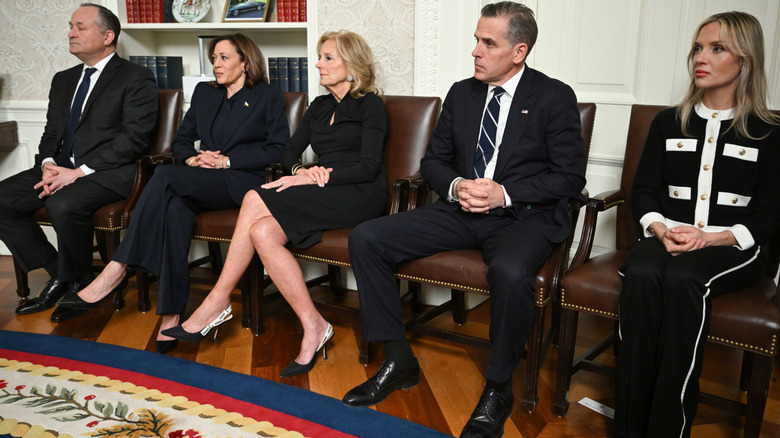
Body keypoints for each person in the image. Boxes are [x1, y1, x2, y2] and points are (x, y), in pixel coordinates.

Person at [341, 3, 586, 437]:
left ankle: (498, 388)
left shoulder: (553, 96)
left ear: (518, 51)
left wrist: (503, 193)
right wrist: (456, 186)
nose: (475, 50)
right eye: (476, 38)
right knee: (366, 238)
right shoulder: (462, 92)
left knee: (511, 272)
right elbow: (432, 161)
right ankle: (399, 360)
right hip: (460, 210)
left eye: (488, 43)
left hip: (520, 218)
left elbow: (569, 177)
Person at [162, 30, 388, 377]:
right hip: (323, 188)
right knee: (263, 232)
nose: (318, 64)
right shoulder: (319, 105)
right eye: (320, 56)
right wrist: (301, 170)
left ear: (353, 64)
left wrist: (313, 176)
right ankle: (314, 325)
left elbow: (369, 167)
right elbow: (287, 152)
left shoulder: (370, 104)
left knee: (254, 196)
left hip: (359, 192)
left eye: (328, 58)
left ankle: (217, 301)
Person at [49, 33, 289, 354]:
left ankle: (117, 268)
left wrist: (225, 160)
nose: (216, 64)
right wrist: (192, 158)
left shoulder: (267, 96)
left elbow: (279, 151)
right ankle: (172, 313)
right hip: (199, 178)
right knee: (175, 209)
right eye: (213, 58)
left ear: (245, 62)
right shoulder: (205, 94)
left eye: (224, 58)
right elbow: (180, 141)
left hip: (243, 183)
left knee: (164, 176)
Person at [614, 11, 780, 438]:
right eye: (697, 48)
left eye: (717, 48)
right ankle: (629, 427)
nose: (700, 58)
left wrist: (710, 238)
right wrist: (660, 229)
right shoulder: (669, 121)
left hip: (735, 247)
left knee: (687, 278)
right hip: (668, 235)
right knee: (643, 271)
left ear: (744, 61)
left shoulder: (770, 131)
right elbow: (644, 193)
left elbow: (770, 216)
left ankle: (670, 429)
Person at [1, 4, 158, 317]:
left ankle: (77, 286)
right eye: (70, 26)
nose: (71, 33)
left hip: (111, 171)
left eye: (80, 27)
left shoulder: (136, 77)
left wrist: (78, 172)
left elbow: (133, 139)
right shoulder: (63, 79)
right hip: (59, 168)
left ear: (107, 35)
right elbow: (50, 133)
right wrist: (47, 163)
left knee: (65, 203)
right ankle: (67, 275)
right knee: (2, 199)